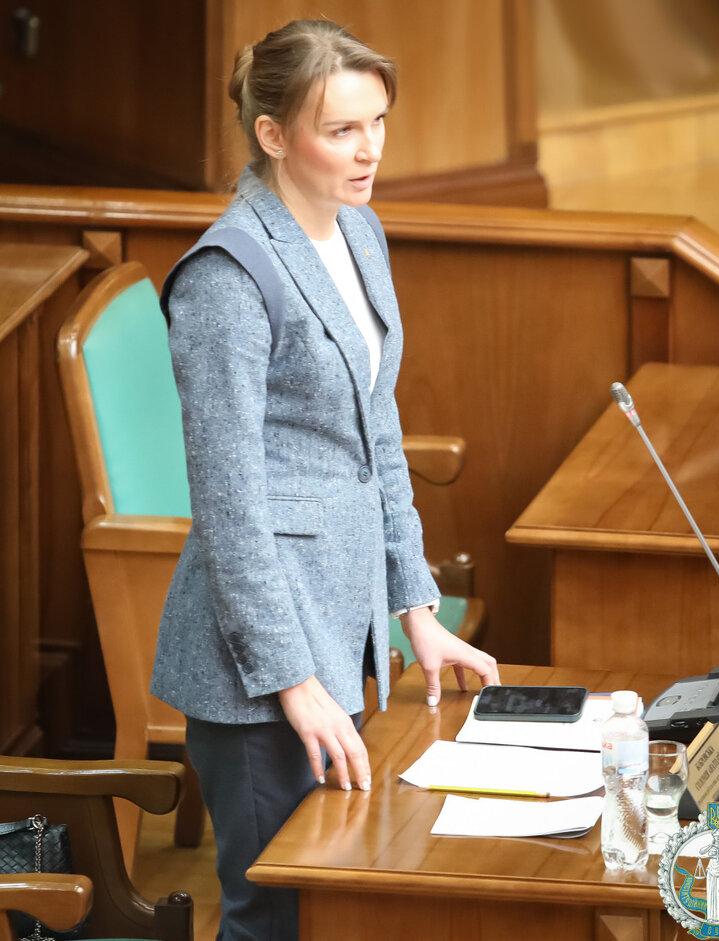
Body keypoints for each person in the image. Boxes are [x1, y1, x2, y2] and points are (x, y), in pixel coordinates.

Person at [150, 18, 500, 941]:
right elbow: (229, 505)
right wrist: (291, 679)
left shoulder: (359, 231)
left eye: (377, 121)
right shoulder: (226, 275)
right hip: (260, 667)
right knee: (272, 916)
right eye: (341, 129)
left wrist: (416, 606)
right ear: (271, 134)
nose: (370, 148)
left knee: (335, 900)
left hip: (343, 631)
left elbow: (375, 431)